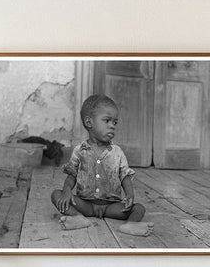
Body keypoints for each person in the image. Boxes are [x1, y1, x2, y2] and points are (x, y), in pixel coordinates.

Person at [51, 94, 153, 237]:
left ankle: (131, 225)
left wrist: (129, 195)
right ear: (89, 122)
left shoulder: (117, 152)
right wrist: (67, 190)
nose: (112, 126)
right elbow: (71, 176)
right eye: (107, 120)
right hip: (86, 205)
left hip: (111, 207)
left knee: (139, 208)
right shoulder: (79, 151)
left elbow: (125, 177)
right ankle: (77, 218)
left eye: (115, 122)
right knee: (56, 195)